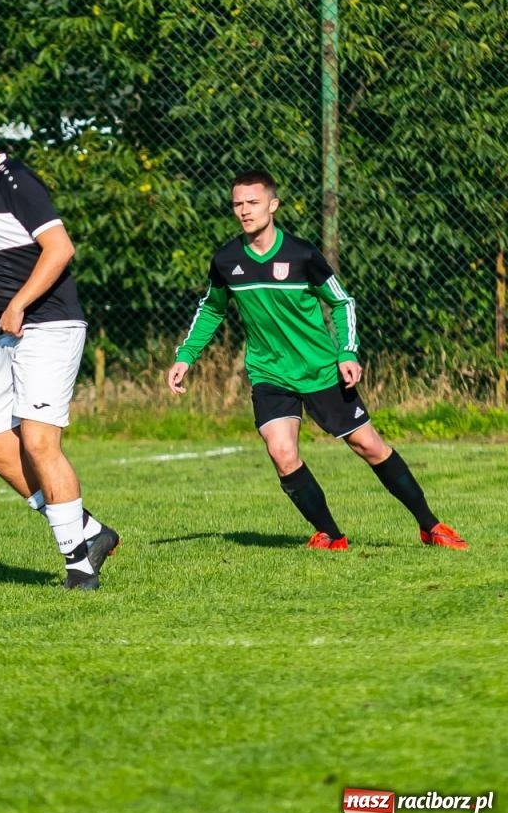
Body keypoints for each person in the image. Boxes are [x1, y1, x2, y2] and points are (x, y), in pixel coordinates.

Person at [167, 169, 467, 551]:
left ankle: (431, 525)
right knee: (281, 452)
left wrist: (347, 352)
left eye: (253, 202)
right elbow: (211, 309)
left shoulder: (302, 254)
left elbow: (342, 302)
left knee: (370, 446)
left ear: (273, 205)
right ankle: (331, 534)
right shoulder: (226, 260)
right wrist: (185, 357)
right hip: (269, 372)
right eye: (237, 204)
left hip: (321, 370)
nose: (244, 210)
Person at [0, 99, 119, 590]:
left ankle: (79, 566)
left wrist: (18, 303)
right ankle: (88, 530)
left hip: (48, 326)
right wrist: (7, 317)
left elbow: (61, 248)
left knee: (39, 441)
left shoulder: (15, 181)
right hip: (8, 336)